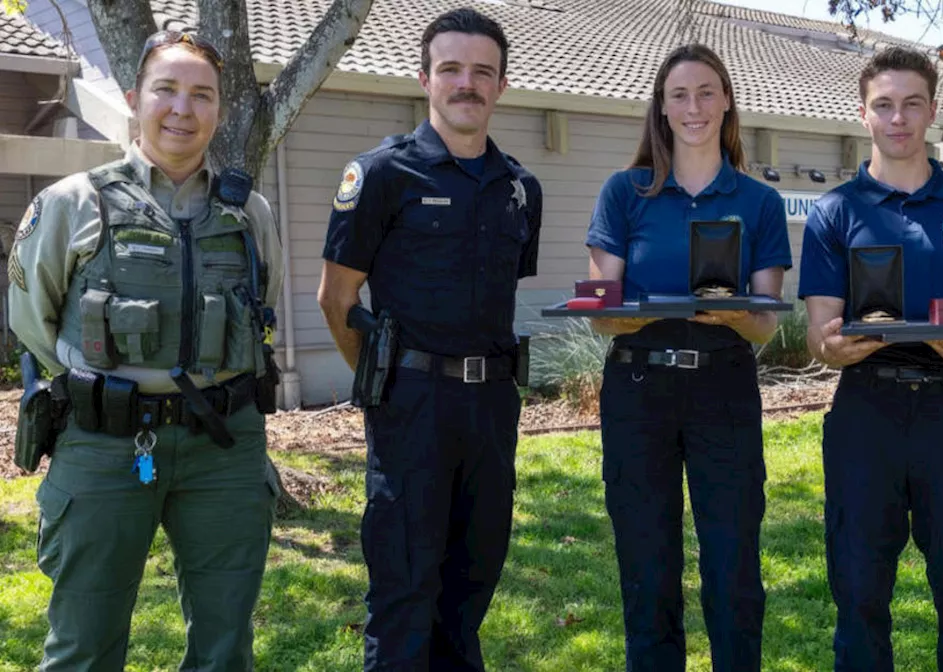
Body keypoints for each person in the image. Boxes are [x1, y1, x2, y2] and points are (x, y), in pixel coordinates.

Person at [7, 30, 283, 670]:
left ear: (219, 108)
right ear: (135, 99)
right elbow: (31, 319)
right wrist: (106, 389)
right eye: (166, 90)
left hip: (225, 449)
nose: (182, 109)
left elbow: (260, 301)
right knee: (84, 645)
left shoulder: (250, 214)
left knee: (225, 647)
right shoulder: (75, 201)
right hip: (105, 445)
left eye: (201, 95)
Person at [316, 8, 542, 671]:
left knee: (472, 584)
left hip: (493, 408)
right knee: (405, 588)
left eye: (482, 72)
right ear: (424, 78)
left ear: (501, 85)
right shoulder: (383, 175)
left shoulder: (519, 190)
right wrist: (388, 384)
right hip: (411, 405)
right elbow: (336, 298)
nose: (466, 84)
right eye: (451, 69)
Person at [799, 47, 943, 672]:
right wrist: (832, 348)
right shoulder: (834, 212)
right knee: (860, 591)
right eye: (884, 105)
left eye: (912, 104)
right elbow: (820, 334)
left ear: (933, 112)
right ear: (863, 114)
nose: (898, 118)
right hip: (865, 410)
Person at [584, 44, 791, 672]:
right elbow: (600, 313)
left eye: (706, 92)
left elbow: (763, 325)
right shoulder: (625, 193)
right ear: (662, 107)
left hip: (723, 390)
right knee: (647, 567)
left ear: (726, 101)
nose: (693, 106)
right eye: (680, 94)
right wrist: (649, 310)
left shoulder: (758, 202)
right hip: (638, 387)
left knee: (733, 568)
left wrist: (732, 314)